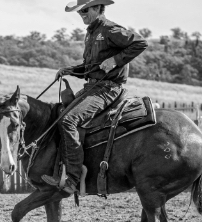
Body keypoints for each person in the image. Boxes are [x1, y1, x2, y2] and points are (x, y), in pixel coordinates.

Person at [40, 0, 148, 194]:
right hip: (93, 87)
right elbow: (89, 67)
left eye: (85, 10)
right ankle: (62, 170)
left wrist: (115, 60)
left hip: (108, 89)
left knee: (68, 120)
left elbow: (140, 42)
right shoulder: (91, 33)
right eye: (79, 11)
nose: (81, 14)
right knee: (60, 115)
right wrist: (70, 70)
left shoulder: (110, 29)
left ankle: (73, 179)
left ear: (98, 8)